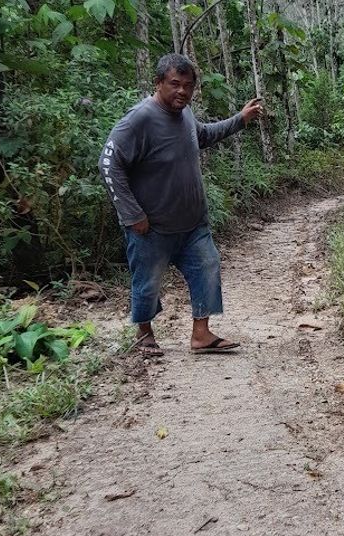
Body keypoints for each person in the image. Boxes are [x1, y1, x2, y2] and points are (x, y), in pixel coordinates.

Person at [99, 53, 264, 356]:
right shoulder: (140, 119)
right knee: (147, 281)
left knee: (207, 267)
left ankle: (201, 335)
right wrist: (131, 213)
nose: (182, 92)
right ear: (158, 82)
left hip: (192, 223)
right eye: (175, 84)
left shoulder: (185, 114)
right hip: (152, 226)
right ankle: (144, 334)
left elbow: (203, 135)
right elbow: (109, 164)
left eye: (188, 86)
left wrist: (240, 120)